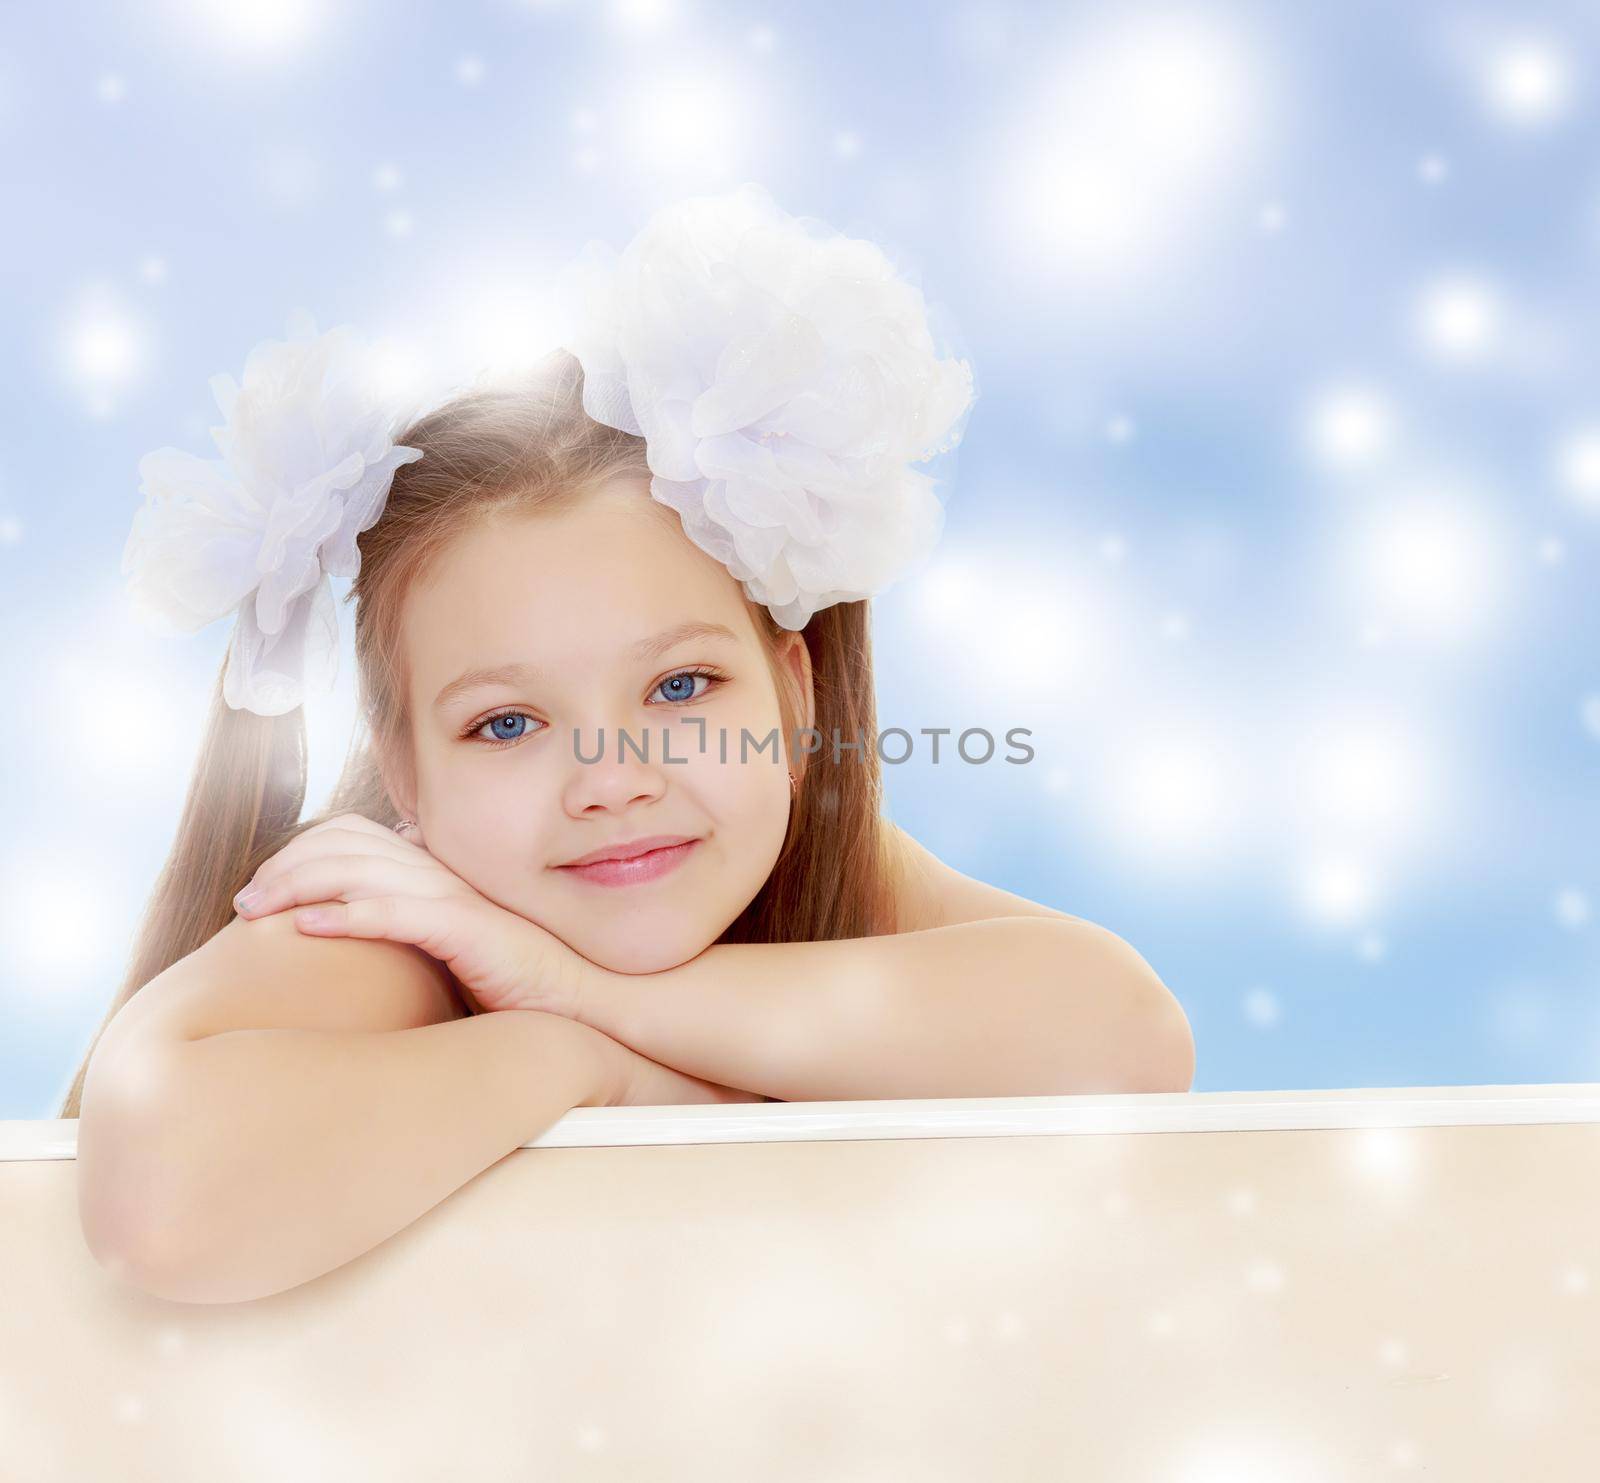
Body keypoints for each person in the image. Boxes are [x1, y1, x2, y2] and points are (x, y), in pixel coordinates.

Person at [67, 184, 1192, 1303]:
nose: (611, 780)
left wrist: (580, 990)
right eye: (506, 723)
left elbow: (1124, 1039)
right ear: (404, 767)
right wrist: (583, 1062)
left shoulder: (808, 862)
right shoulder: (385, 918)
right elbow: (159, 1201)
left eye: (680, 685)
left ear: (790, 698)